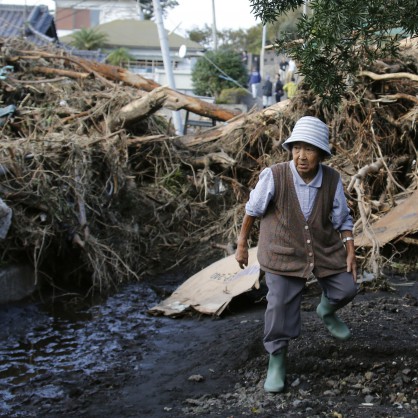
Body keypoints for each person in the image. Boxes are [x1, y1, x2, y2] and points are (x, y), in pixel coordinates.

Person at [235, 116, 358, 393]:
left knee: (347, 287)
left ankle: (326, 311)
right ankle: (277, 361)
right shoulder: (275, 174)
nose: (302, 156)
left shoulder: (331, 179)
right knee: (279, 305)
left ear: (322, 154)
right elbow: (252, 210)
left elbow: (343, 220)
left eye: (310, 149)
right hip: (282, 251)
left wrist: (350, 251)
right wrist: (242, 243)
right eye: (297, 148)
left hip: (322, 247)